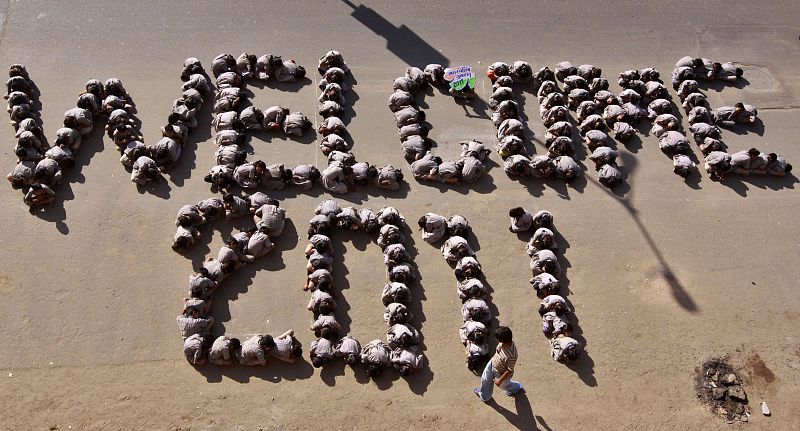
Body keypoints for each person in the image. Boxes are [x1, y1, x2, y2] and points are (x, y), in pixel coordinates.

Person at [474, 326, 522, 402]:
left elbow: (509, 370)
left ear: (502, 340)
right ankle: (484, 396)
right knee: (484, 379)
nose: (495, 339)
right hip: (492, 363)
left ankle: (516, 388)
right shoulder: (505, 341)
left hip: (501, 373)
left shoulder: (512, 355)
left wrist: (499, 380)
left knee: (505, 386)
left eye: (497, 339)